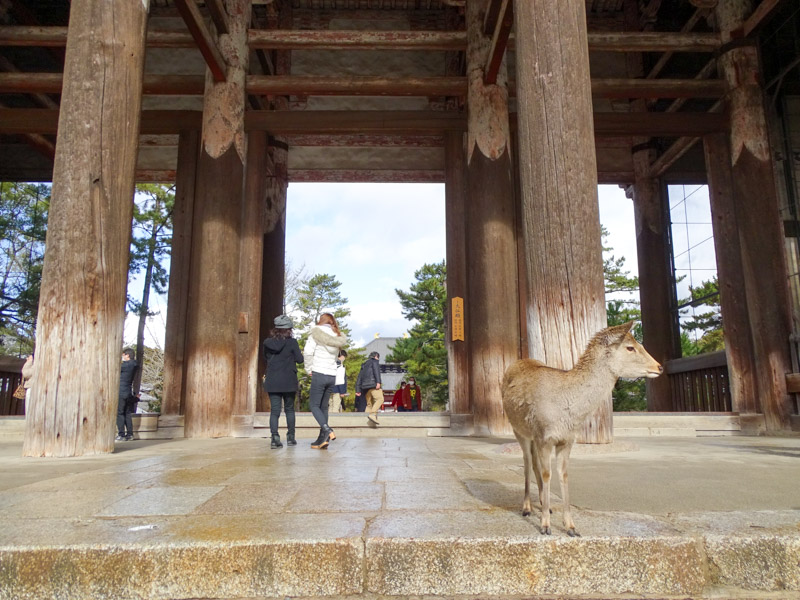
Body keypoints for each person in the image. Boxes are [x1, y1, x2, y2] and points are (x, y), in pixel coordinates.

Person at [303, 313, 348, 449]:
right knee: (324, 407)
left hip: (319, 372)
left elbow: (308, 352)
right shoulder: (337, 336)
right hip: (331, 375)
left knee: (314, 405)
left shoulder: (315, 334)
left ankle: (327, 429)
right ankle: (322, 439)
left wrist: (308, 368)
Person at [262, 314, 304, 449]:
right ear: (288, 329)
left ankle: (274, 438)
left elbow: (265, 358)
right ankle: (291, 438)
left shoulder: (267, 343)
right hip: (288, 380)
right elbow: (300, 360)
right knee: (289, 410)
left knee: (275, 411)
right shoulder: (292, 342)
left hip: (273, 379)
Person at [116, 349, 138, 441]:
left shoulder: (125, 366)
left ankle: (121, 434)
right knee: (127, 413)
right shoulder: (134, 365)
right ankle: (130, 434)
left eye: (123, 355)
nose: (123, 357)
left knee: (120, 412)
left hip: (121, 390)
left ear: (127, 355)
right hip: (128, 391)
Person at [355, 351, 383, 425]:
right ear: (376, 356)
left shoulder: (364, 364)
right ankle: (373, 414)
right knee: (380, 399)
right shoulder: (375, 362)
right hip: (373, 385)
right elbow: (376, 371)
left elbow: (359, 377)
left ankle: (365, 422)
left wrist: (358, 389)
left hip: (365, 388)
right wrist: (378, 382)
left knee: (369, 404)